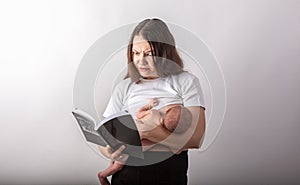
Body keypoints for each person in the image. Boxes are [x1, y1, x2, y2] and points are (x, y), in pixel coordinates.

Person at [98, 18, 206, 185]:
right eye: (136, 53)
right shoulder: (124, 87)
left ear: (164, 52)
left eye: (148, 54)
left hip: (168, 171)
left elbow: (196, 139)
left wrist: (146, 133)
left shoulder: (186, 81)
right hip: (128, 172)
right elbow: (105, 137)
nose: (141, 60)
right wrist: (110, 152)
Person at [97, 98, 193, 185]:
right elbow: (178, 150)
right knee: (118, 164)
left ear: (167, 110)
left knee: (117, 164)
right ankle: (103, 175)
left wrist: (149, 105)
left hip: (131, 144)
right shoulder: (170, 135)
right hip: (135, 152)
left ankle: (102, 175)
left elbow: (139, 114)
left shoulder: (153, 114)